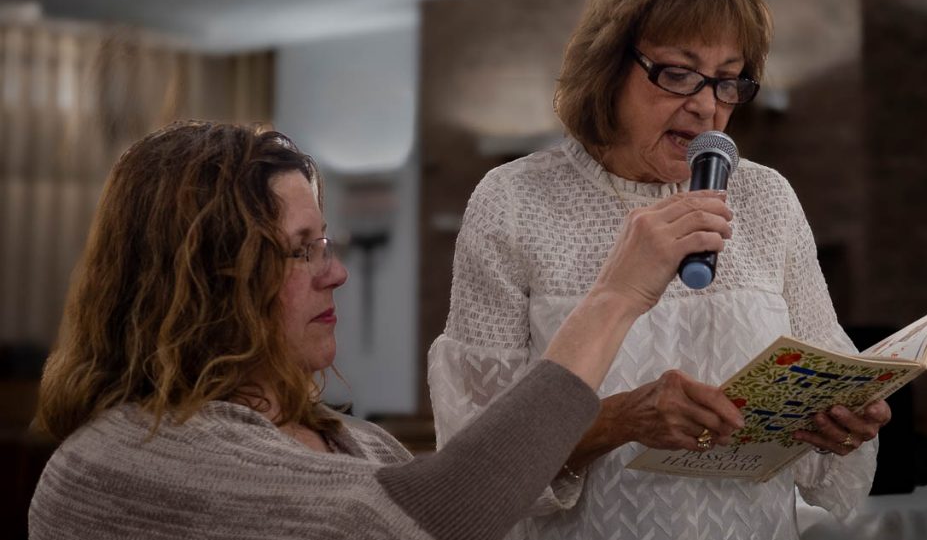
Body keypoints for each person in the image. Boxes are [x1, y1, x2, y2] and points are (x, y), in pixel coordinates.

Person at [28, 121, 733, 540]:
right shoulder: (123, 459)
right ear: (208, 277)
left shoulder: (358, 439)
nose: (333, 273)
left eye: (324, 242)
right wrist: (613, 297)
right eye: (300, 249)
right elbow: (436, 513)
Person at [427, 0, 892, 539]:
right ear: (609, 66)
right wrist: (619, 420)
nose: (707, 107)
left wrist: (841, 423)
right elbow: (476, 465)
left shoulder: (765, 197)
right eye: (678, 74)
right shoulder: (515, 202)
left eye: (729, 80)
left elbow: (826, 420)